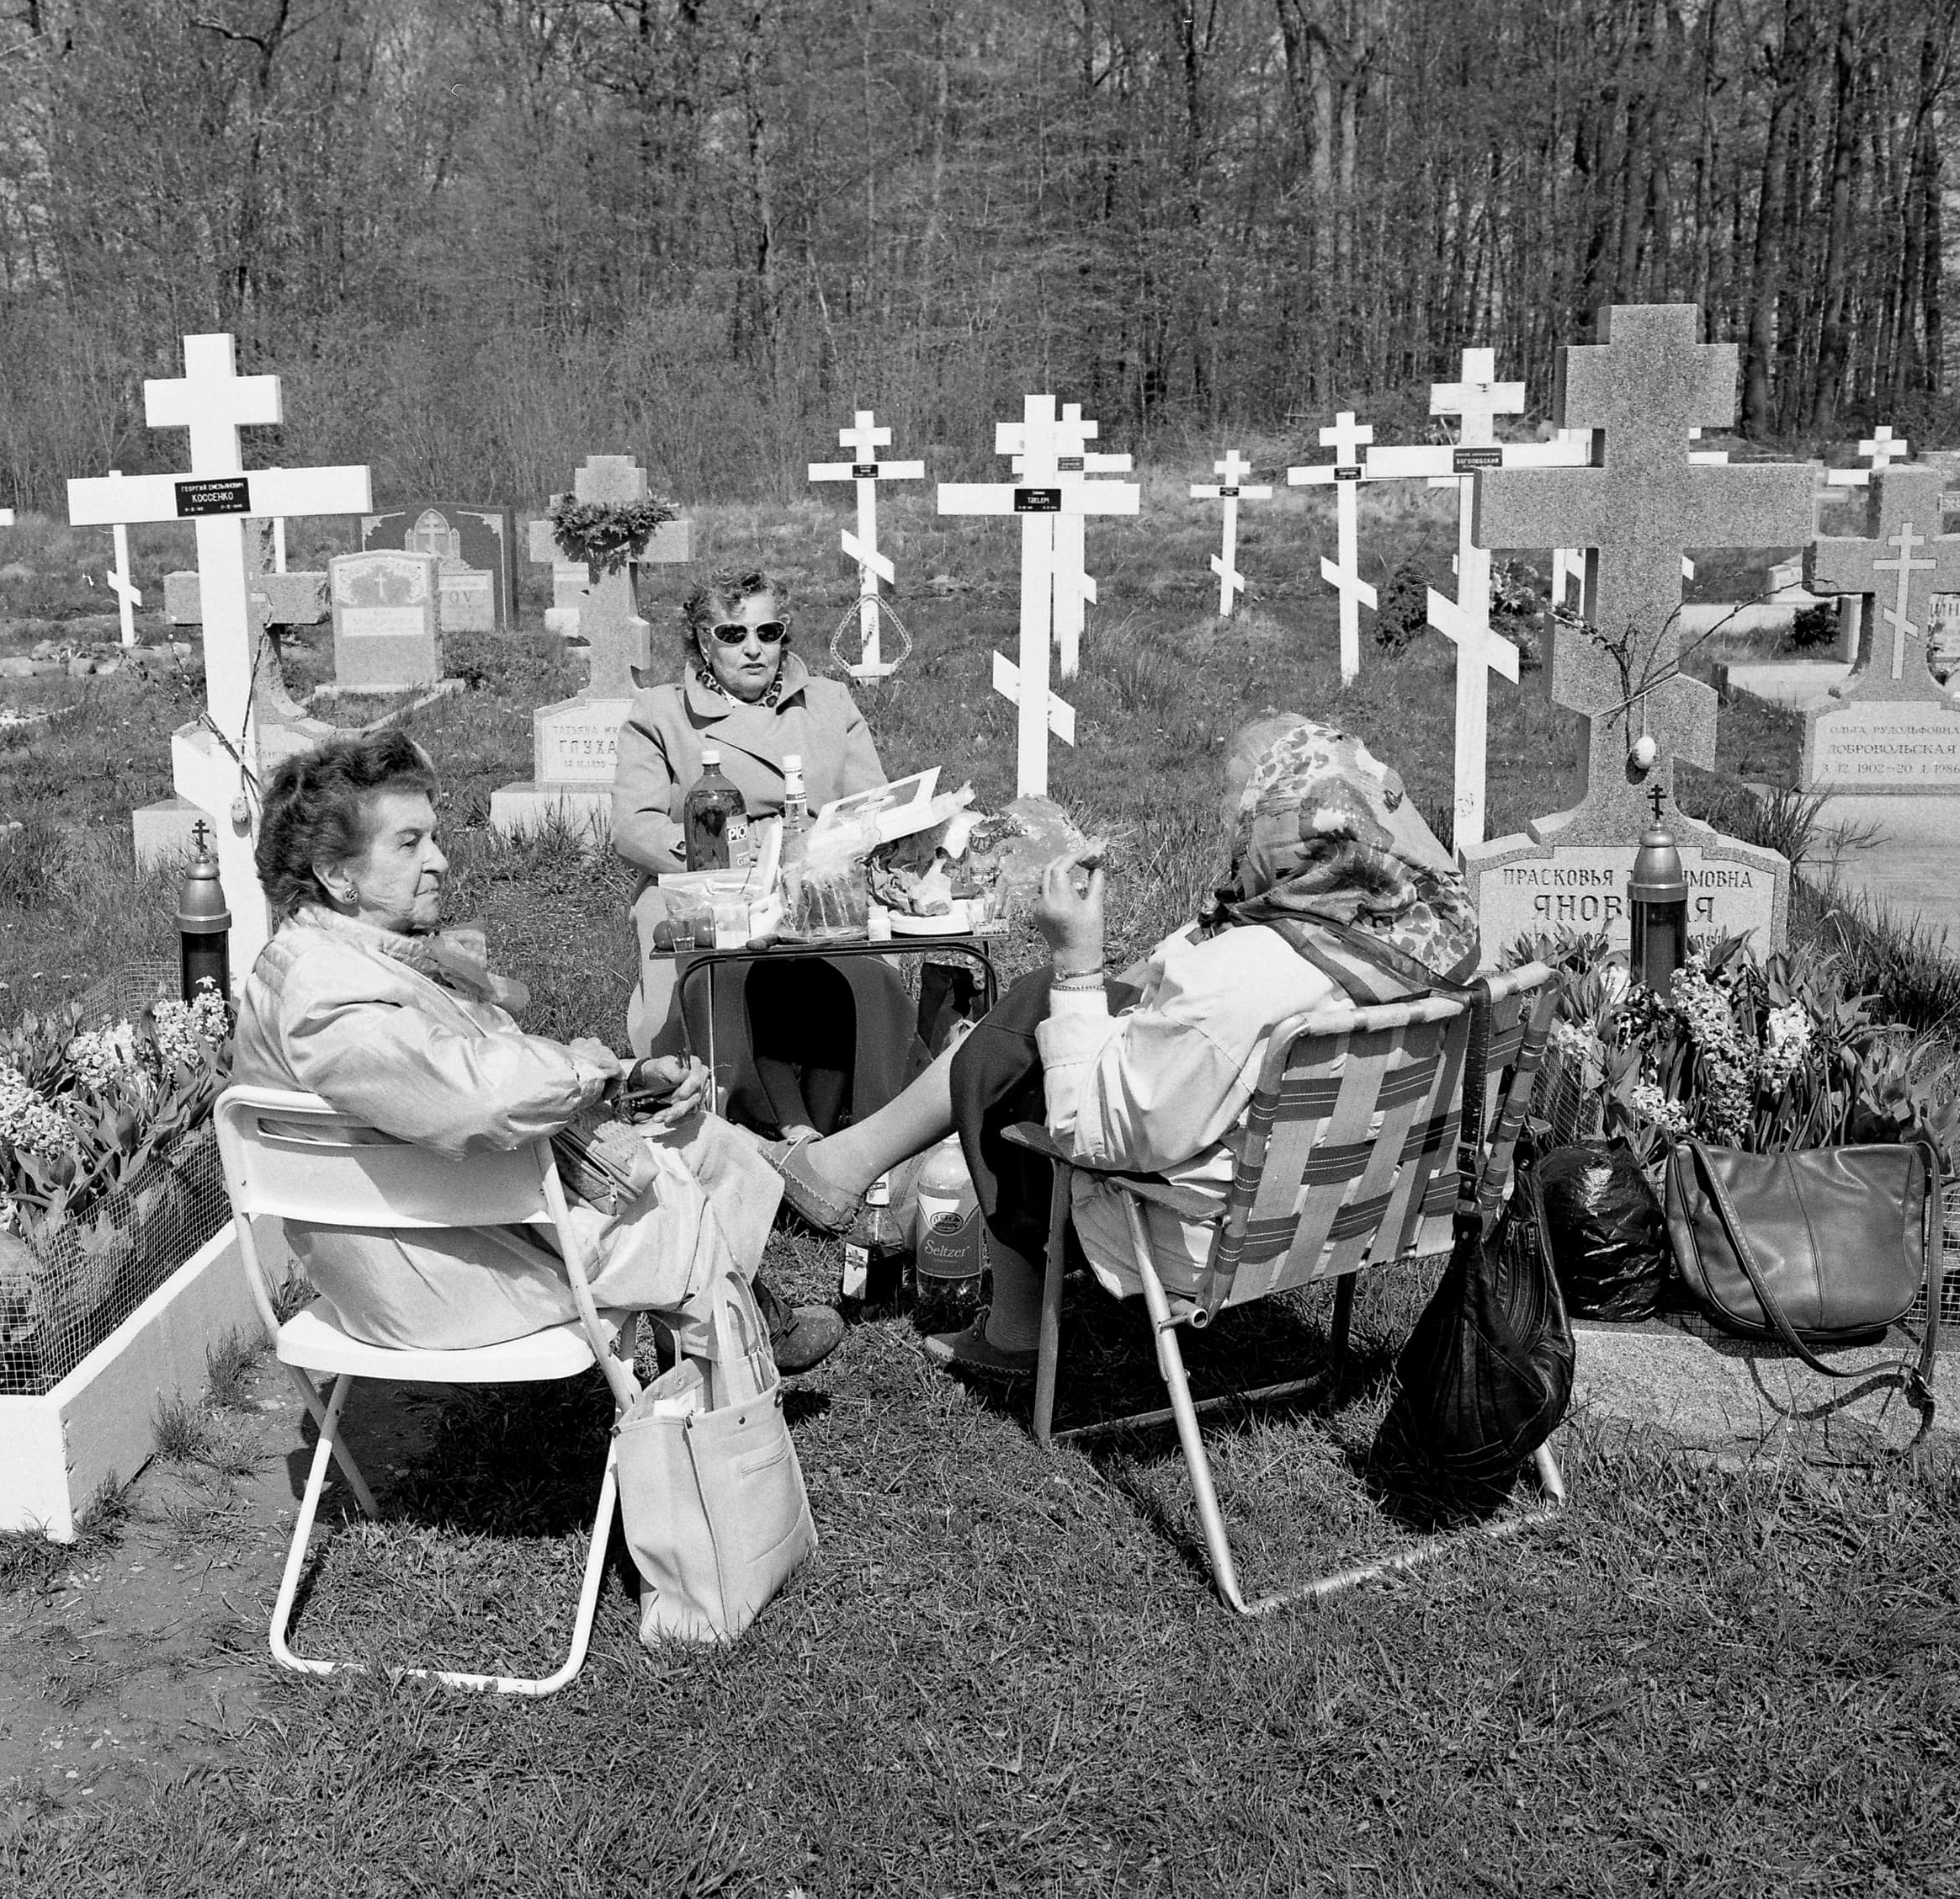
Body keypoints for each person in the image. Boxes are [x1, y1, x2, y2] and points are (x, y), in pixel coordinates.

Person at [757, 715, 1483, 1381]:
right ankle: (847, 1168)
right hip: (1369, 1204)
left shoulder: (1241, 982)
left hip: (1208, 1227)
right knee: (1039, 1003)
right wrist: (1109, 983)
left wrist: (1078, 961)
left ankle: (1000, 1320)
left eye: (1248, 819)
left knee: (1010, 1061)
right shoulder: (1436, 942)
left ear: (1287, 836)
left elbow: (1095, 1133)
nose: (1236, 835)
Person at [233, 725, 845, 1393]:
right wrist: (592, 1072)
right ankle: (722, 1417)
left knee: (702, 1139)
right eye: (409, 844)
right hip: (436, 1282)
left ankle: (737, 1333)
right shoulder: (328, 1000)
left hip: (441, 1230)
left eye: (433, 837)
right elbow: (481, 1098)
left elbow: (467, 1070)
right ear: (336, 876)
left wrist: (627, 1079)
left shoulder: (338, 957)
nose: (439, 860)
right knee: (677, 1190)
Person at [612, 569, 920, 1133]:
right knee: (718, 979)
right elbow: (634, 828)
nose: (753, 649)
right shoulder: (660, 713)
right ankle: (738, 1108)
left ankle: (868, 1118)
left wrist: (844, 846)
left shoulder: (829, 703)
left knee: (865, 975)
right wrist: (726, 855)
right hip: (706, 881)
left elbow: (871, 807)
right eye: (733, 634)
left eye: (768, 631)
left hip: (819, 880)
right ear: (704, 641)